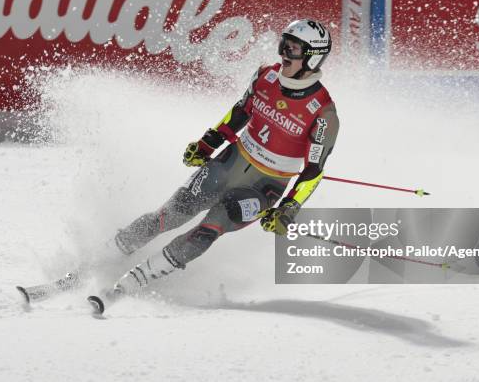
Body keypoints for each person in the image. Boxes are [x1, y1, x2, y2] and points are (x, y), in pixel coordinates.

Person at [98, 19, 339, 306]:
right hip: (228, 163)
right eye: (284, 44)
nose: (285, 53)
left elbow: (313, 171)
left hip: (262, 189)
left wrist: (288, 209)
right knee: (168, 216)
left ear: (312, 57)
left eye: (294, 49)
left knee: (208, 230)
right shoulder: (266, 76)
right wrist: (207, 143)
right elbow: (239, 113)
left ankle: (134, 282)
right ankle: (103, 255)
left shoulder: (323, 112)